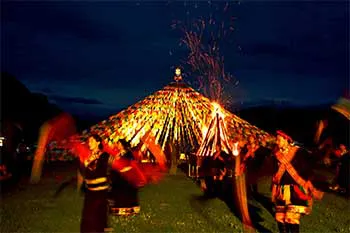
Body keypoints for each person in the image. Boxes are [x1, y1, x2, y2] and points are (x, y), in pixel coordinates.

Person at [271, 130, 323, 233]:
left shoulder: (298, 152)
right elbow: (274, 172)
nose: (277, 142)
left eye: (279, 139)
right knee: (280, 218)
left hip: (296, 191)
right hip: (281, 190)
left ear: (286, 139)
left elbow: (312, 160)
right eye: (277, 139)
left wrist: (318, 134)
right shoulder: (276, 154)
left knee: (291, 219)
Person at [79, 134, 112, 233]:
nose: (89, 143)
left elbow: (101, 170)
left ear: (98, 142)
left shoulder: (104, 155)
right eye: (88, 142)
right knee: (87, 216)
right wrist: (83, 164)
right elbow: (83, 172)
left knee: (99, 216)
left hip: (101, 191)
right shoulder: (87, 156)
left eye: (92, 141)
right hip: (90, 191)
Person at [108, 139, 141, 216]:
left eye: (119, 144)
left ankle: (128, 210)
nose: (118, 145)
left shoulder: (129, 153)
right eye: (117, 144)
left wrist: (125, 169)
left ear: (123, 144)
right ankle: (118, 209)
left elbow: (132, 164)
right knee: (117, 192)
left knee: (126, 192)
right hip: (118, 176)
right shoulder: (117, 154)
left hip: (126, 177)